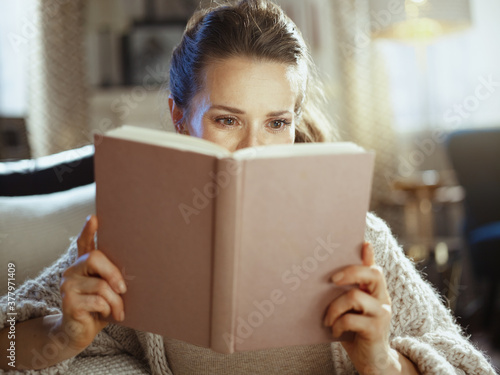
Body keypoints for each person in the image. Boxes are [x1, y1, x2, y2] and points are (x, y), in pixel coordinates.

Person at [0, 0, 496, 374]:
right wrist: (61, 337)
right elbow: (8, 342)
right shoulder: (131, 237)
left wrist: (383, 362)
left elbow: (468, 364)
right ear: (179, 117)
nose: (253, 148)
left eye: (277, 123)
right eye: (226, 119)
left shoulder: (357, 240)